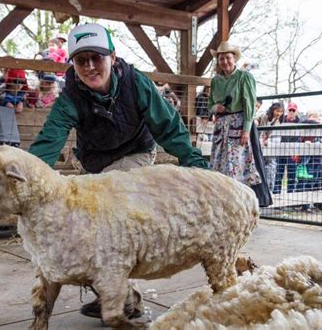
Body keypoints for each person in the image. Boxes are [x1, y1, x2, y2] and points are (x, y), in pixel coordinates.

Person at [28, 23, 208, 320]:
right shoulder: (71, 96)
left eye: (96, 57)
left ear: (112, 55)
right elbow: (51, 138)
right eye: (80, 60)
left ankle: (124, 297)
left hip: (134, 152)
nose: (89, 66)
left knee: (108, 221)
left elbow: (167, 125)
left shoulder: (135, 83)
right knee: (85, 229)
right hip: (95, 162)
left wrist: (194, 162)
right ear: (71, 63)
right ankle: (118, 294)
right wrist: (28, 181)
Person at [207, 41, 272, 208]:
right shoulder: (216, 81)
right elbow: (209, 104)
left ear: (234, 58)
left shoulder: (244, 77)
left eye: (228, 58)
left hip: (239, 123)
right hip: (221, 126)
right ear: (218, 61)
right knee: (219, 162)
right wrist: (216, 107)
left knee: (240, 164)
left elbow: (249, 104)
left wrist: (246, 130)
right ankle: (222, 200)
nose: (225, 62)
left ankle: (243, 202)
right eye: (221, 58)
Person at [273, 102, 301, 194]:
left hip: (293, 153)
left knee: (292, 175)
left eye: (293, 110)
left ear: (296, 111)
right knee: (278, 174)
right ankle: (276, 194)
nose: (292, 112)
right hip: (281, 151)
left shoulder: (300, 123)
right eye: (290, 110)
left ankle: (290, 196)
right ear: (287, 111)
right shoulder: (281, 120)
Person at [257, 102, 284, 192]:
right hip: (261, 145)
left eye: (281, 111)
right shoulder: (265, 116)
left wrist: (268, 139)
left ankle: (268, 191)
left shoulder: (278, 121)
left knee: (270, 170)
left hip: (271, 148)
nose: (279, 113)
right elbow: (260, 126)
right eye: (277, 111)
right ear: (273, 110)